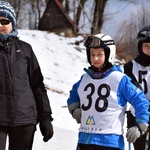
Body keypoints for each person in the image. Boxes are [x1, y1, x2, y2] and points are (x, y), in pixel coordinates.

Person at [67, 33, 149, 150]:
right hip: (85, 140)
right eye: (92, 54)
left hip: (110, 143)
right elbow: (73, 94)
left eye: (99, 54)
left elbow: (140, 100)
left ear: (109, 54)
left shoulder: (119, 79)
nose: (95, 58)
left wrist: (140, 125)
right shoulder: (85, 78)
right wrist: (75, 108)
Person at [0, 1, 53, 150]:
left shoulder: (25, 49)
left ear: (13, 22)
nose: (0, 25)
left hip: (24, 118)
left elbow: (37, 85)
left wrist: (45, 117)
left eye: (5, 20)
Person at [124, 25, 150, 150]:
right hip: (137, 119)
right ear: (140, 47)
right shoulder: (130, 67)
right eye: (146, 46)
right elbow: (132, 92)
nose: (149, 50)